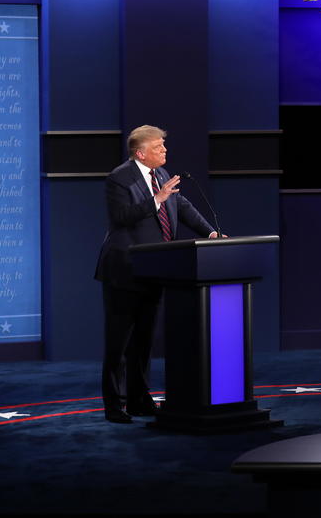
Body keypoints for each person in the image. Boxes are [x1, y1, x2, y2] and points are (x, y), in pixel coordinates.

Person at [94, 125, 218, 424]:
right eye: (158, 147)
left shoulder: (161, 174)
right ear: (141, 153)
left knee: (144, 341)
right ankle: (115, 405)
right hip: (124, 270)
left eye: (163, 145)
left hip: (155, 268)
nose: (165, 151)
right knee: (119, 342)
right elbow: (121, 217)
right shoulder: (119, 178)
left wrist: (210, 232)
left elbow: (182, 206)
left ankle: (139, 400)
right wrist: (156, 200)